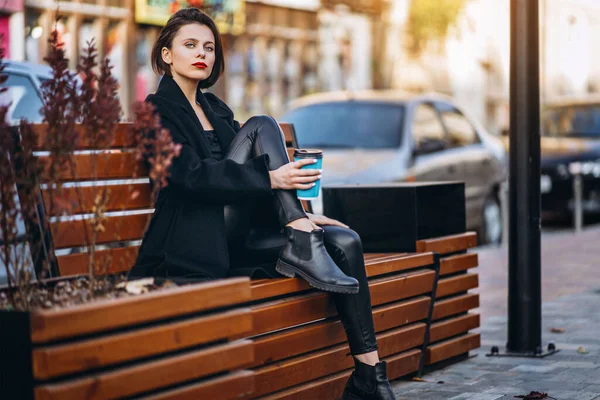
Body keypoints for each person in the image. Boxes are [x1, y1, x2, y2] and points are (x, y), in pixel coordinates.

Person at [128, 8, 396, 400]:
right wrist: (271, 180)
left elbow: (248, 178)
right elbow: (187, 177)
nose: (202, 53)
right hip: (195, 238)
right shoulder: (154, 113)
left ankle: (369, 377)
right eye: (189, 45)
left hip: (237, 233)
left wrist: (304, 212)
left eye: (208, 47)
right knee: (263, 125)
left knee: (345, 241)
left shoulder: (216, 110)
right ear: (167, 54)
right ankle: (301, 233)